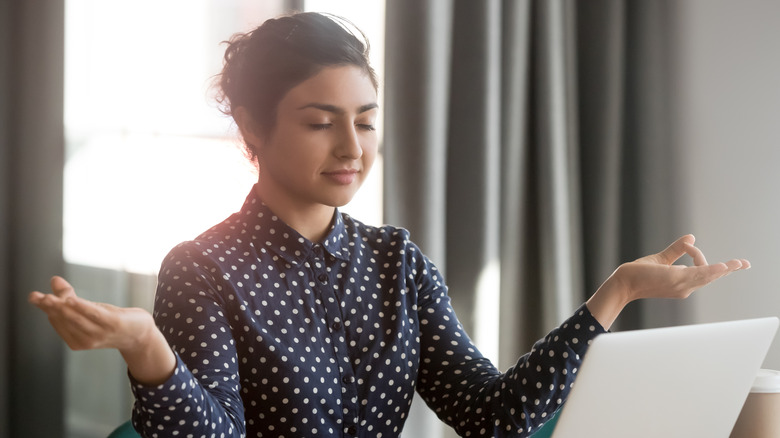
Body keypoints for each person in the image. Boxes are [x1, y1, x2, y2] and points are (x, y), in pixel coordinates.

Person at [29, 11, 750, 438]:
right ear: (251, 125)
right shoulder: (203, 268)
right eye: (321, 122)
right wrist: (148, 348)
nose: (352, 148)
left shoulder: (395, 261)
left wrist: (615, 294)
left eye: (367, 122)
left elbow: (492, 418)